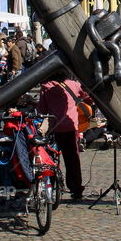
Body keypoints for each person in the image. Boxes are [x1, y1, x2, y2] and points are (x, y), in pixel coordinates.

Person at [37, 69, 88, 201]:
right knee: (73, 159)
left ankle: (51, 185)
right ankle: (76, 188)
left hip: (54, 127)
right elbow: (85, 96)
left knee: (51, 159)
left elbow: (42, 109)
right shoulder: (73, 84)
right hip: (71, 126)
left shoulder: (46, 87)